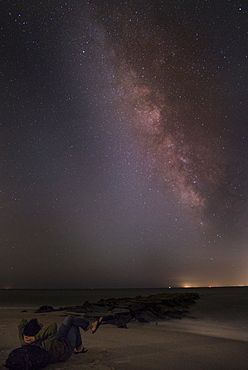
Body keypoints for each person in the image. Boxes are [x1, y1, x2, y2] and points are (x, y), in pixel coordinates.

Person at [18, 315, 102, 363]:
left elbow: (22, 323)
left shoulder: (24, 342)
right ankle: (89, 329)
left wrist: (25, 335)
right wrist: (35, 338)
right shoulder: (44, 345)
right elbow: (53, 326)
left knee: (70, 320)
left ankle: (81, 346)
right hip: (65, 349)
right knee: (72, 324)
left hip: (57, 342)